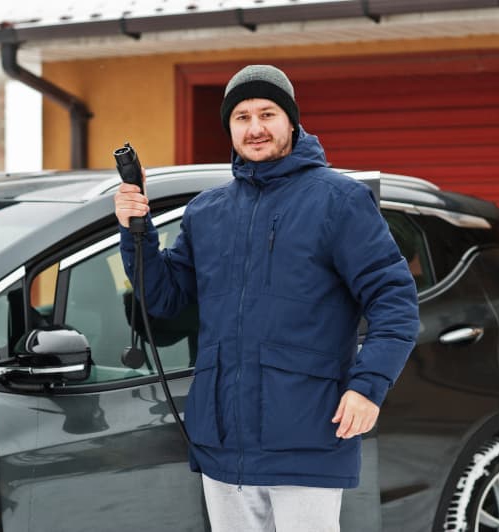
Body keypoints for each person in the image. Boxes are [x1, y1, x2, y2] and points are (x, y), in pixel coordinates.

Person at [114, 64, 419, 531]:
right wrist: (136, 231)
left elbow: (393, 298)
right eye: (242, 117)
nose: (255, 128)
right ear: (230, 128)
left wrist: (367, 386)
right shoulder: (206, 212)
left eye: (267, 113)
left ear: (291, 122)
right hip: (223, 438)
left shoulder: (338, 201)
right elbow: (164, 299)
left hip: (307, 431)